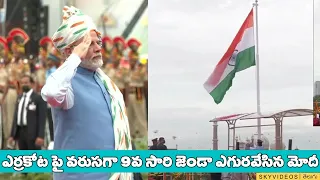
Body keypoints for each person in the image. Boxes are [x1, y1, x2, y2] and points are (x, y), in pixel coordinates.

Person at [40, 6, 132, 180]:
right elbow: (51, 93)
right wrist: (75, 57)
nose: (98, 48)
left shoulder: (106, 83)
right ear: (69, 50)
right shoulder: (67, 84)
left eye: (99, 42)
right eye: (90, 44)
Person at [3, 28, 29, 149]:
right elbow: (8, 82)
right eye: (12, 45)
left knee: (17, 120)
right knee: (7, 119)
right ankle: (8, 144)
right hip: (9, 94)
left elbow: (27, 80)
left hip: (19, 93)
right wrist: (3, 97)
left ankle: (18, 146)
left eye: (15, 45)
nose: (13, 48)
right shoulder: (11, 62)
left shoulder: (24, 63)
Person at [8, 75, 47, 150]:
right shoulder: (19, 98)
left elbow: (42, 119)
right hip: (20, 132)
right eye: (22, 83)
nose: (24, 84)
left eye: (26, 82)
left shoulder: (38, 98)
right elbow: (16, 117)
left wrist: (41, 136)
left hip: (33, 134)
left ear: (32, 84)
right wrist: (12, 135)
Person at [127, 38, 147, 139]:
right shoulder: (126, 66)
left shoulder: (142, 65)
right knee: (129, 117)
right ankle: (131, 137)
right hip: (128, 93)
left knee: (140, 116)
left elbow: (142, 77)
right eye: (131, 58)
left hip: (138, 92)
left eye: (134, 58)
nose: (133, 59)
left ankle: (144, 137)